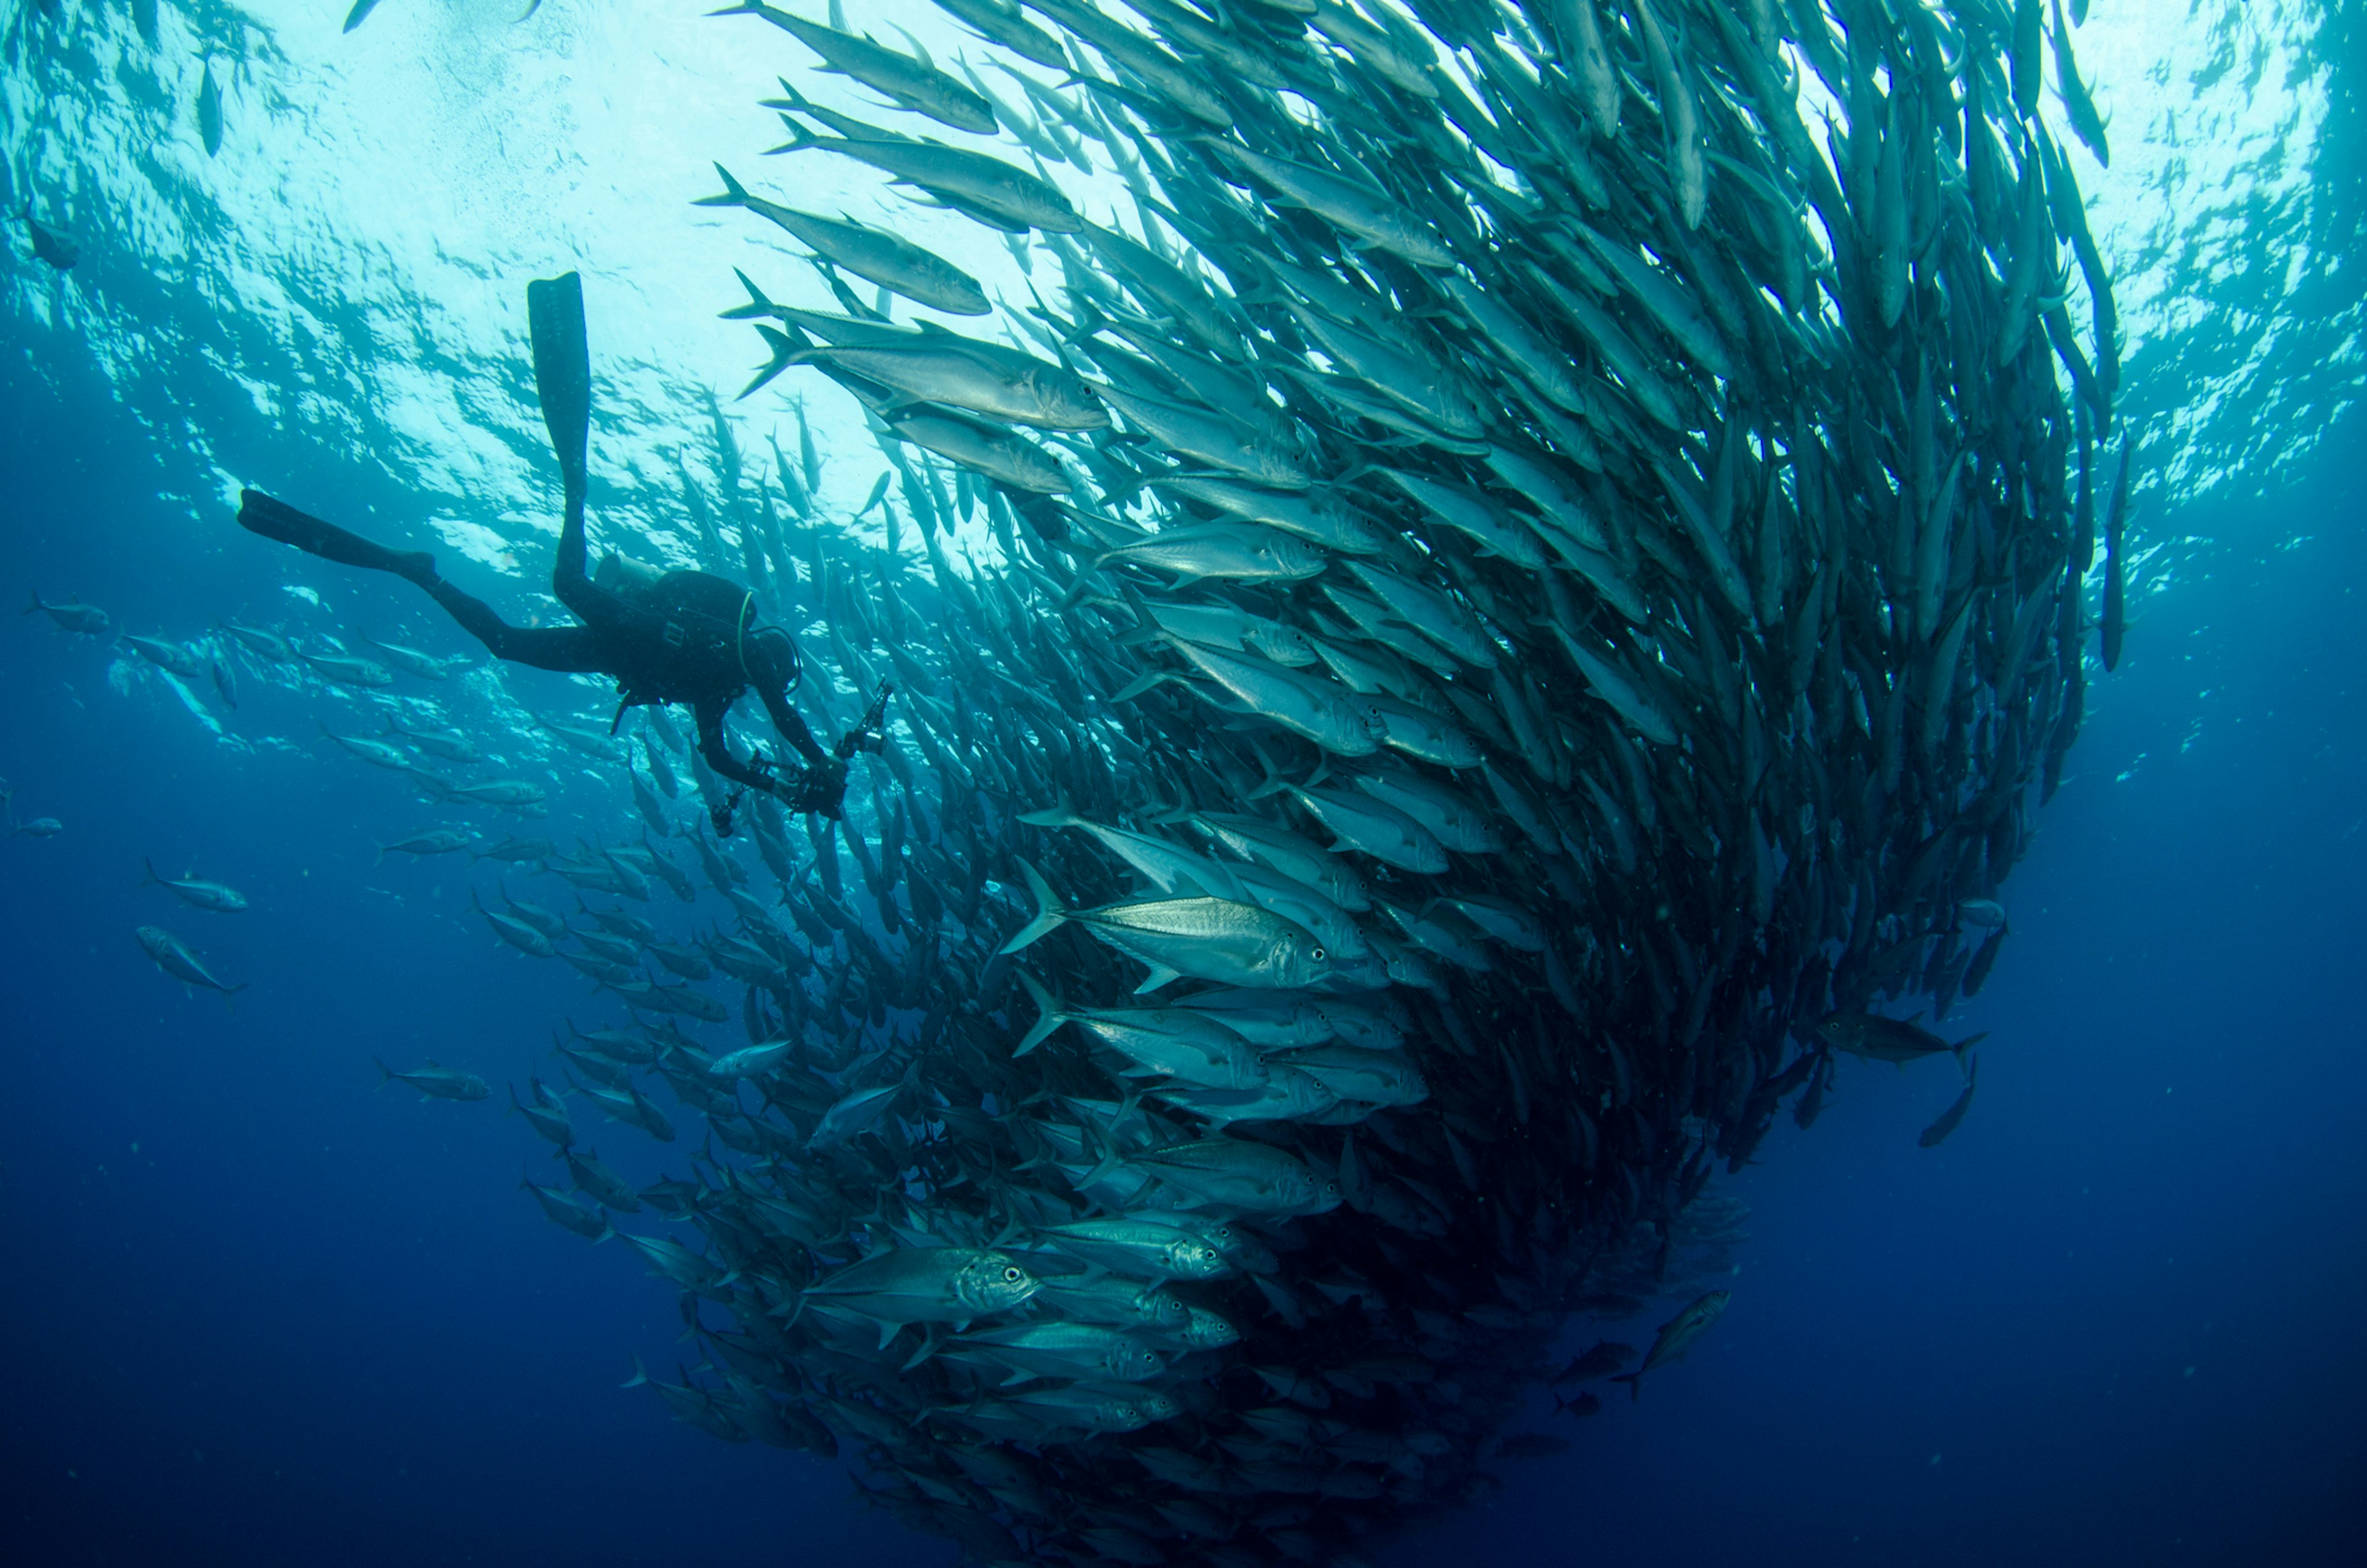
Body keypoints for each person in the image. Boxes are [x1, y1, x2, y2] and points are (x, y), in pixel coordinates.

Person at [235, 272, 866, 828]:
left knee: (505, 643)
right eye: (778, 677)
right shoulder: (745, 648)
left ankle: (418, 574)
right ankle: (577, 483)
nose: (773, 686)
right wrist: (817, 761)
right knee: (566, 583)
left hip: (616, 654)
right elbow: (783, 717)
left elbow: (719, 755)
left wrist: (781, 784)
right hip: (641, 628)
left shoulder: (719, 689)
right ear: (774, 657)